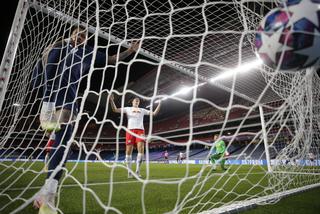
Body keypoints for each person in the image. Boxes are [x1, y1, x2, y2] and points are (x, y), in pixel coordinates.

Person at [33, 25, 139, 213]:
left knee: (64, 144)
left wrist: (129, 51)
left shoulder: (88, 52)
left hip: (70, 100)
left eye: (83, 36)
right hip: (53, 96)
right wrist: (66, 42)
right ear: (71, 34)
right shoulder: (60, 47)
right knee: (60, 141)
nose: (80, 37)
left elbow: (112, 59)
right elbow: (45, 56)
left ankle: (48, 194)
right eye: (77, 34)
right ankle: (48, 194)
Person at [110, 95, 161, 178]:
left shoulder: (142, 110)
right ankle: (129, 172)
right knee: (128, 151)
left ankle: (137, 171)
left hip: (140, 131)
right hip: (130, 130)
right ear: (132, 102)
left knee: (141, 149)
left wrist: (160, 104)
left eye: (138, 101)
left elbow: (154, 113)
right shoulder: (127, 109)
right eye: (135, 100)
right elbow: (115, 109)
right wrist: (111, 100)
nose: (137, 101)